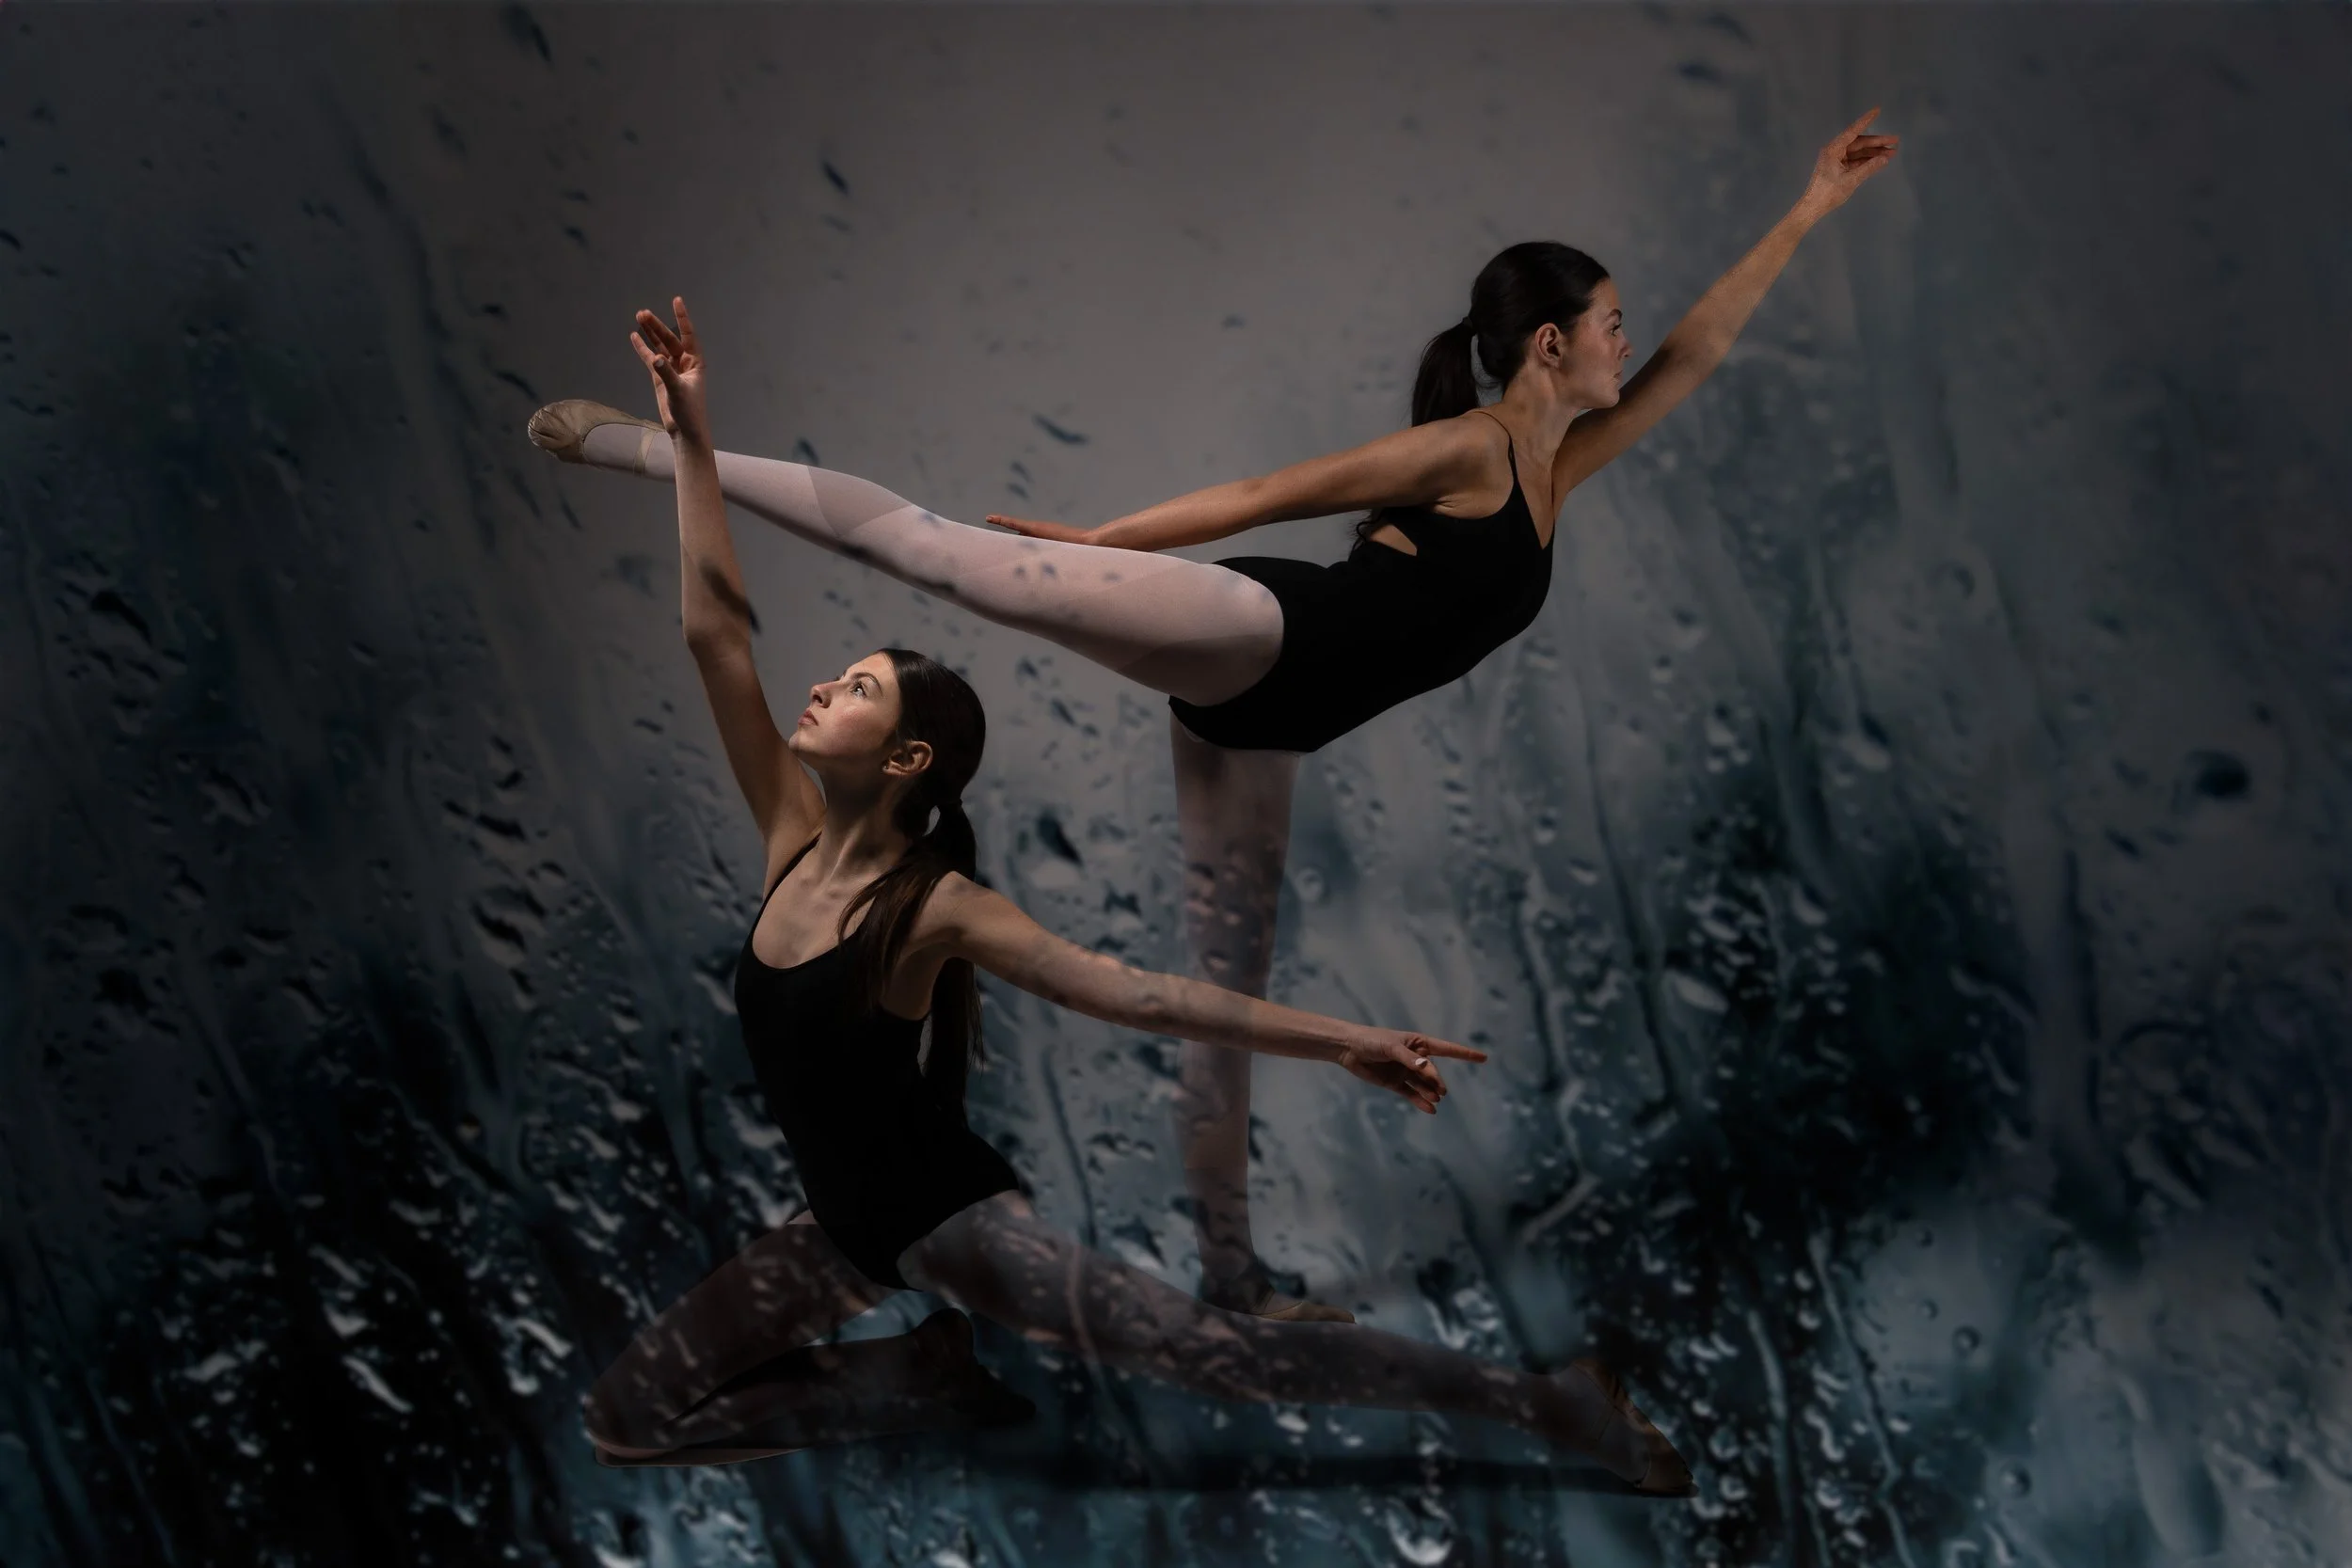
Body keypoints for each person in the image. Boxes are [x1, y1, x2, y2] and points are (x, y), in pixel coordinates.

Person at [530, 113, 1898, 1323]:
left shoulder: (1560, 464)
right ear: (1552, 342)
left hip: (1268, 731)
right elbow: (1267, 493)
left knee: (1221, 996)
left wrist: (1810, 205)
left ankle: (1233, 1276)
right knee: (946, 554)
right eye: (1610, 320)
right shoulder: (1473, 449)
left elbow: (1695, 354)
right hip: (1262, 633)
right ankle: (649, 443)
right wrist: (1102, 544)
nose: (1626, 339)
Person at [571, 336, 1692, 1493]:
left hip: (950, 1226)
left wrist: (1342, 1038)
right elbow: (715, 634)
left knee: (1220, 1356)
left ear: (906, 758)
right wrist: (690, 438)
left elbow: (1142, 995)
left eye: (858, 687)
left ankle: (1550, 1401)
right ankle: (917, 1379)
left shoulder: (934, 906)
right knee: (626, 1421)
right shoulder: (789, 834)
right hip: (834, 1233)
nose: (818, 687)